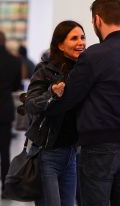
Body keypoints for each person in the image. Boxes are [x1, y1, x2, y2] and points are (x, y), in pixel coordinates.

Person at [45, 0, 120, 206]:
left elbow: (70, 99)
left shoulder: (93, 56)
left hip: (99, 148)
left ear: (98, 20)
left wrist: (47, 106)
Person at [25, 20, 86, 206]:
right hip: (47, 153)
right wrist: (51, 94)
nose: (81, 42)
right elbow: (30, 104)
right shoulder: (45, 69)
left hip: (72, 154)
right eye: (74, 38)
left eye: (83, 37)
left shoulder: (83, 70)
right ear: (60, 45)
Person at [0, 31, 22, 198]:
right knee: (5, 150)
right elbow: (16, 86)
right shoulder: (14, 61)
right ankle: (5, 188)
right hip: (4, 110)